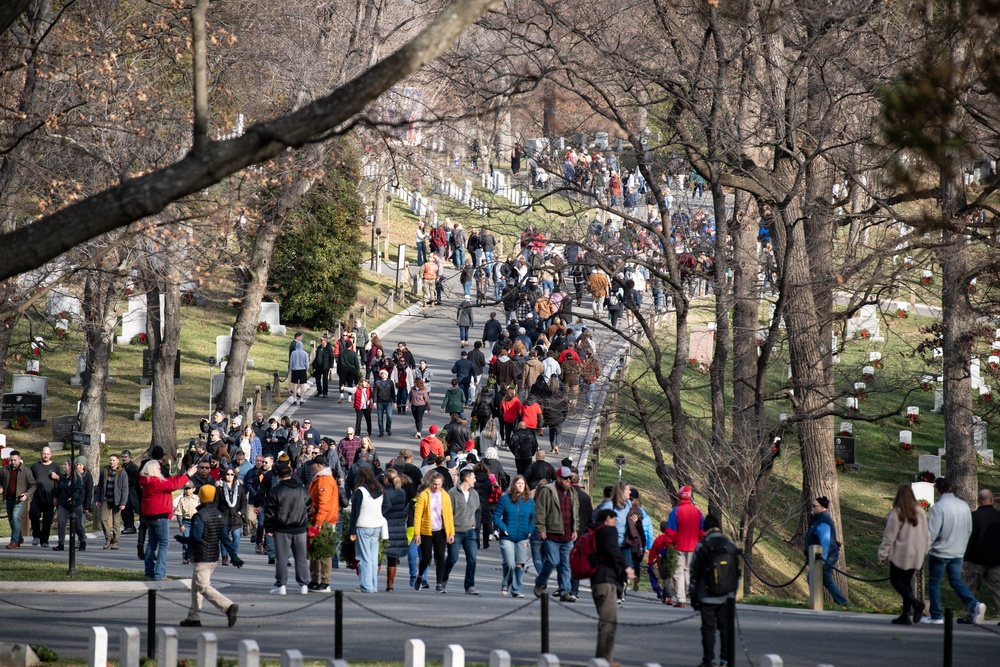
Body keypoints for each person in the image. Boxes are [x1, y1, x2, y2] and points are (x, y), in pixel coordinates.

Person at [922, 478, 986, 624]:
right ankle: (974, 604)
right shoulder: (963, 505)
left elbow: (932, 532)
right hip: (957, 551)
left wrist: (924, 548)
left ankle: (936, 615)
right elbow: (969, 529)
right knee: (956, 581)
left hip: (940, 551)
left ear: (937, 490)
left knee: (934, 582)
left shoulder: (938, 508)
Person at [176, 484, 239, 628]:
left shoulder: (200, 516)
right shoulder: (218, 514)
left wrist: (184, 539)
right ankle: (193, 617)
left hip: (202, 557)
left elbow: (196, 537)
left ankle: (228, 607)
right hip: (213, 557)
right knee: (195, 586)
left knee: (203, 586)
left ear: (201, 497)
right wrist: (233, 556)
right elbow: (225, 537)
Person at [690, 515, 740, 667]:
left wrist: (693, 596)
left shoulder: (702, 546)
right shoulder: (731, 545)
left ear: (706, 529)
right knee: (726, 629)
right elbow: (737, 571)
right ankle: (725, 659)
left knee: (708, 629)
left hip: (706, 596)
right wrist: (733, 591)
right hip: (727, 596)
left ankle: (709, 660)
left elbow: (695, 573)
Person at [877, 483, 931, 624]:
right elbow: (927, 534)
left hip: (901, 554)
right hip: (916, 554)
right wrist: (925, 550)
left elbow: (889, 536)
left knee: (896, 581)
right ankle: (905, 614)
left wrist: (882, 555)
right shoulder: (920, 512)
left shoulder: (897, 513)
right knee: (906, 584)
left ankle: (915, 603)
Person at [141, 456, 197, 580]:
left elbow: (170, 481)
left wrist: (185, 474)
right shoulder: (155, 482)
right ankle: (160, 574)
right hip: (159, 515)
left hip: (150, 516)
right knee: (163, 544)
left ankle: (149, 571)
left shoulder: (148, 481)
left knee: (151, 544)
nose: (160, 470)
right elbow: (172, 485)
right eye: (158, 469)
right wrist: (188, 475)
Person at [591, 508, 633, 665]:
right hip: (606, 580)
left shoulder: (594, 532)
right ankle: (603, 660)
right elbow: (613, 549)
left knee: (607, 622)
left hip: (596, 581)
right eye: (614, 520)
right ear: (608, 519)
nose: (616, 523)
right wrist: (626, 566)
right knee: (608, 624)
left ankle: (606, 659)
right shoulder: (609, 531)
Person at [264, 458, 312, 595]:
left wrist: (269, 528)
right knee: (301, 558)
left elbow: (270, 512)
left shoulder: (275, 491)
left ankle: (281, 585)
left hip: (281, 528)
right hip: (300, 528)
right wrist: (305, 520)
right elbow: (309, 507)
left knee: (282, 558)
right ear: (291, 473)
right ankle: (303, 584)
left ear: (278, 476)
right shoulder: (302, 490)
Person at [533, 466, 579, 601]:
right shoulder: (548, 491)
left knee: (566, 564)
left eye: (569, 478)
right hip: (552, 534)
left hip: (568, 536)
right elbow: (540, 511)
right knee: (552, 561)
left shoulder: (572, 492)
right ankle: (540, 582)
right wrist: (541, 529)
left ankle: (565, 591)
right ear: (558, 478)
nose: (567, 480)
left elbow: (574, 513)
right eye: (564, 478)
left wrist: (575, 528)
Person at [962, 488, 1000, 623]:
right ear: (992, 500)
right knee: (997, 589)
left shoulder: (974, 516)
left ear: (979, 501)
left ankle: (968, 614)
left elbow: (969, 538)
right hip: (995, 559)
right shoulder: (998, 516)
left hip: (976, 559)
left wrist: (965, 558)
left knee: (972, 588)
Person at [663, 484, 705, 608]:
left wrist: (665, 546)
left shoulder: (676, 511)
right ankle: (686, 593)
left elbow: (670, 532)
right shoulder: (698, 512)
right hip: (694, 546)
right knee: (688, 571)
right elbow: (702, 531)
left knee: (678, 572)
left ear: (679, 496)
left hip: (678, 546)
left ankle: (681, 599)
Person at [806, 496, 850, 609]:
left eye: (814, 506)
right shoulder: (818, 519)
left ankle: (816, 604)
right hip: (824, 555)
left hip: (825, 556)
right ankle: (844, 604)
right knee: (827, 579)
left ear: (822, 508)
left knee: (812, 576)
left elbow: (825, 542)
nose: (812, 508)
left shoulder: (823, 522)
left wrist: (822, 560)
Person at [413, 472, 455, 592]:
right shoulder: (424, 495)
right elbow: (418, 515)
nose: (437, 487)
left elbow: (449, 515)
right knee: (426, 557)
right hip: (426, 531)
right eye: (434, 484)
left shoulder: (445, 495)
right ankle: (420, 576)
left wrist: (451, 533)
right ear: (430, 483)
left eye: (439, 484)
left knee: (440, 557)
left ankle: (439, 583)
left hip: (440, 530)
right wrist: (417, 534)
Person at [348, 465, 387, 593]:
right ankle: (373, 585)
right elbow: (387, 505)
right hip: (376, 526)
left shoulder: (360, 491)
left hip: (363, 525)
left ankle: (366, 586)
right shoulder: (380, 489)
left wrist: (351, 530)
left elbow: (355, 512)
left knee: (363, 557)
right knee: (373, 557)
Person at [494, 475, 534, 597]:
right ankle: (506, 583)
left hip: (523, 537)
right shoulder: (505, 500)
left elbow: (534, 518)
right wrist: (503, 528)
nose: (521, 485)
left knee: (520, 564)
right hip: (507, 537)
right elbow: (496, 516)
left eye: (523, 483)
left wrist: (530, 530)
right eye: (518, 483)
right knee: (509, 563)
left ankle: (516, 589)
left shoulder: (529, 501)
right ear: (514, 485)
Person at [445, 469, 481, 594]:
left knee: (472, 558)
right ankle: (443, 579)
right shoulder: (452, 493)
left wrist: (477, 528)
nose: (475, 480)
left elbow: (478, 510)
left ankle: (470, 585)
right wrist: (449, 532)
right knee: (452, 558)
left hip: (471, 531)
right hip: (456, 531)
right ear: (466, 479)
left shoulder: (474, 494)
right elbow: (447, 514)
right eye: (473, 478)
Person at [382, 468, 409, 592]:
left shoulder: (385, 493)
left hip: (386, 524)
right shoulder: (402, 492)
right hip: (398, 524)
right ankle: (390, 584)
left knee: (378, 554)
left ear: (386, 479)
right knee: (392, 557)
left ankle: (371, 580)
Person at [1, 450, 36, 549]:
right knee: (11, 520)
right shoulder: (5, 470)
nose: (13, 462)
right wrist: (1, 487)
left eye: (15, 460)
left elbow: (33, 485)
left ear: (19, 459)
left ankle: (14, 541)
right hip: (9, 498)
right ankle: (19, 537)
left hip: (20, 499)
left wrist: (27, 494)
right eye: (11, 460)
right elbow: (0, 481)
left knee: (16, 518)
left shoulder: (26, 471)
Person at [52, 459, 87, 551]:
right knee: (61, 523)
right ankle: (61, 543)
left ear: (70, 467)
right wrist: (55, 498)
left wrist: (73, 497)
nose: (63, 466)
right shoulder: (63, 478)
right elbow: (58, 489)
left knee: (78, 525)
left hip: (75, 504)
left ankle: (82, 540)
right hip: (63, 504)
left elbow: (79, 489)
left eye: (65, 464)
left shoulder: (77, 478)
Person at [96, 453, 129, 550]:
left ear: (117, 461)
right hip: (106, 499)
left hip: (117, 501)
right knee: (103, 519)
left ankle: (116, 542)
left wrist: (123, 502)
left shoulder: (122, 473)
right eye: (110, 460)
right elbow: (100, 487)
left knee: (116, 522)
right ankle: (108, 538)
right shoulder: (104, 471)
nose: (111, 462)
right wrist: (98, 499)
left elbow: (125, 489)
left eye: (114, 460)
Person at [215, 467, 247, 568]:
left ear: (235, 476)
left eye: (232, 474)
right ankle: (225, 557)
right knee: (225, 538)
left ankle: (233, 555)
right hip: (224, 517)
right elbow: (216, 503)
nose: (230, 476)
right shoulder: (219, 488)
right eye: (228, 474)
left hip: (236, 517)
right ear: (224, 475)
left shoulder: (240, 487)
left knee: (236, 537)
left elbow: (244, 502)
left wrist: (241, 512)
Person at [28, 446, 59, 547]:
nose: (45, 456)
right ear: (40, 454)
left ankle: (44, 540)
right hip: (37, 496)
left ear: (51, 455)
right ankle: (36, 535)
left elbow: (61, 482)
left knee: (47, 519)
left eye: (47, 454)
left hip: (50, 496)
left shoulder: (55, 466)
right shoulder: (35, 466)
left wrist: (57, 477)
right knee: (33, 514)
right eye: (44, 453)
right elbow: (30, 480)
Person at [120, 450, 140, 534]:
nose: (124, 459)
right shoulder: (122, 467)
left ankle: (131, 526)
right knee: (126, 510)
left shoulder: (133, 468)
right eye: (123, 457)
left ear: (129, 457)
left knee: (130, 509)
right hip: (125, 491)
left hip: (132, 491)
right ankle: (129, 526)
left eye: (126, 457)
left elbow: (134, 481)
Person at [374, 369, 396, 437]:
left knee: (389, 416)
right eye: (382, 374)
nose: (384, 375)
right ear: (380, 375)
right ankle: (381, 431)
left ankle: (388, 429)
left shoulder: (390, 382)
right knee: (380, 418)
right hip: (380, 402)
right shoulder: (377, 382)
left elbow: (393, 392)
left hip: (388, 401)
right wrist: (374, 402)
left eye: (385, 374)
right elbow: (375, 393)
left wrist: (395, 402)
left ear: (387, 375)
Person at [289, 340, 309, 405]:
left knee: (295, 385)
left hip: (295, 369)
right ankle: (302, 399)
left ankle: (295, 399)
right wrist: (306, 369)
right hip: (302, 370)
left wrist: (291, 369)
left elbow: (291, 362)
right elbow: (307, 363)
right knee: (302, 385)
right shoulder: (305, 353)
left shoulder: (293, 353)